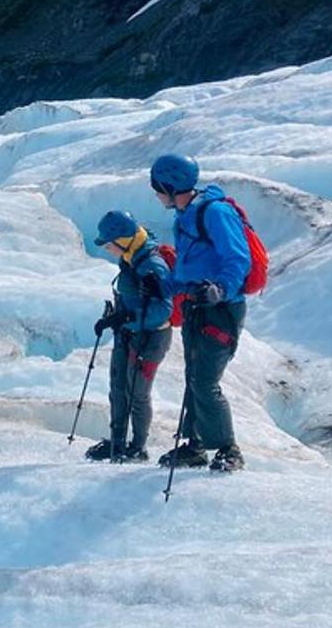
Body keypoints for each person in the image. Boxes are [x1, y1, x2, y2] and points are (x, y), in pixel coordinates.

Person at [144, 154, 250, 472]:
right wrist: (164, 288)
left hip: (221, 310)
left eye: (158, 188)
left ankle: (229, 450)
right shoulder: (185, 216)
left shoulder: (215, 213)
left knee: (205, 381)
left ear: (170, 185)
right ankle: (195, 446)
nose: (156, 194)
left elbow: (238, 259)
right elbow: (188, 271)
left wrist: (220, 290)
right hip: (196, 307)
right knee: (194, 377)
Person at [87, 211, 173, 463]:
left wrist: (127, 318)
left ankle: (138, 448)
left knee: (137, 393)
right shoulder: (131, 257)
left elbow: (164, 309)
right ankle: (117, 444)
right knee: (118, 388)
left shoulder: (151, 264)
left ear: (123, 240)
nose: (107, 249)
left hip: (150, 338)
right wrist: (116, 318)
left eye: (109, 244)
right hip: (128, 333)